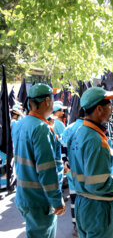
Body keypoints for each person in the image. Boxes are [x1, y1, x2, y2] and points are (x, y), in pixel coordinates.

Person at [68, 87, 113, 238]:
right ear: (99, 109)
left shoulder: (78, 132)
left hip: (82, 203)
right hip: (97, 208)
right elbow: (98, 185)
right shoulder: (95, 140)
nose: (112, 109)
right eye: (109, 105)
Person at [12, 83, 66, 238]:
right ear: (47, 102)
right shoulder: (42, 128)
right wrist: (56, 200)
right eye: (53, 97)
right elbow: (46, 169)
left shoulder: (20, 123)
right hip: (39, 200)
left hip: (25, 196)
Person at [62, 108, 85, 237]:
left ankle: (76, 226)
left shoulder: (68, 128)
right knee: (86, 199)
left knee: (74, 199)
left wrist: (66, 164)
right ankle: (84, 227)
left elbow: (62, 149)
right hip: (83, 172)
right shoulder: (86, 129)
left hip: (71, 171)